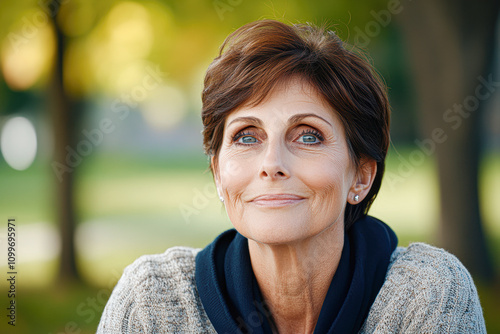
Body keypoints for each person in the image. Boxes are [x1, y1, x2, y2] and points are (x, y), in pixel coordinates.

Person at [97, 19, 486, 333]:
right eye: (247, 136)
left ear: (361, 177)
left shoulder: (427, 296)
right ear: (218, 173)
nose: (272, 163)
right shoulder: (153, 302)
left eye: (308, 136)